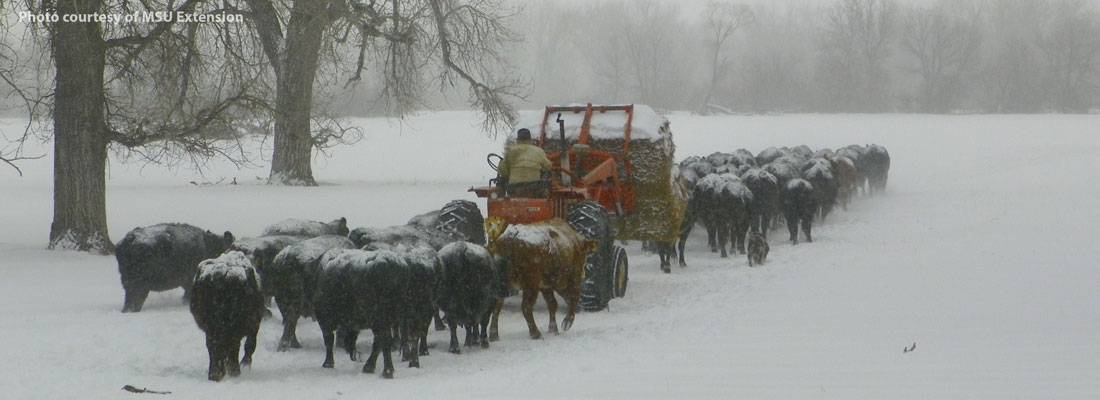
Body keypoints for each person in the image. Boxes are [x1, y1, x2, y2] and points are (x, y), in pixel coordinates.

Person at [499, 128, 551, 197]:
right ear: (530, 139)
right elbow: (548, 166)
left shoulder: (511, 151)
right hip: (534, 190)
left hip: (514, 189)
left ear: (517, 139)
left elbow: (502, 170)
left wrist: (508, 175)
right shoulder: (538, 151)